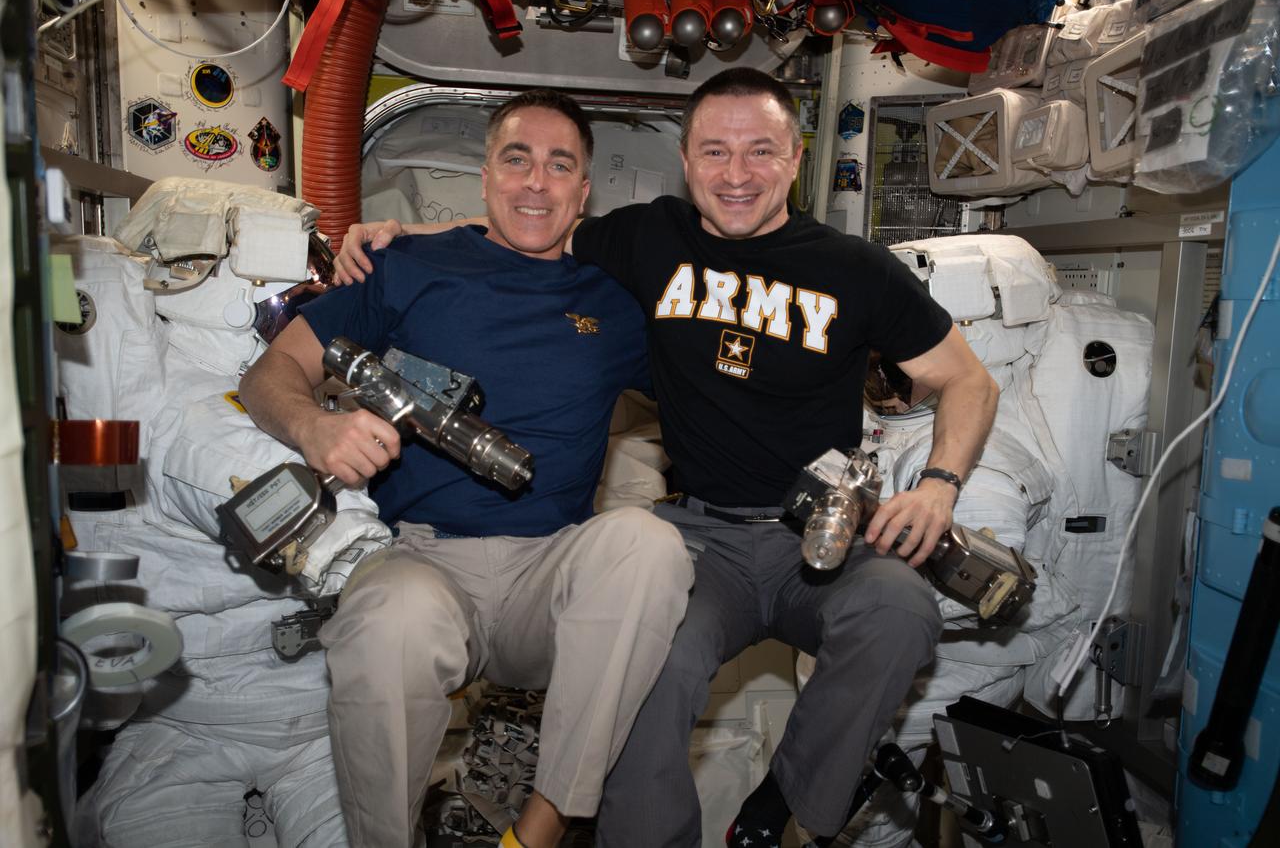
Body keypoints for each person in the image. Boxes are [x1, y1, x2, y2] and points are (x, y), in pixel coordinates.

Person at [337, 68, 998, 847]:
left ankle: (787, 818)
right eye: (715, 151)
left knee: (900, 609)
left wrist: (939, 486)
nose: (737, 173)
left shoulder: (855, 268)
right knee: (645, 668)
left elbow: (966, 379)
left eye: (760, 151)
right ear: (686, 161)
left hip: (817, 540)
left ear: (793, 158)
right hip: (702, 539)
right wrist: (390, 235)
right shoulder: (648, 237)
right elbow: (524, 221)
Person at [237, 89, 694, 848]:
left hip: (549, 569)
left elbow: (711, 387)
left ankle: (543, 825)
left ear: (584, 191)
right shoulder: (404, 265)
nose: (536, 183)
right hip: (421, 556)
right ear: (485, 176)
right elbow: (268, 373)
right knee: (386, 620)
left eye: (559, 166)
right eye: (516, 160)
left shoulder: (615, 302)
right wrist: (316, 426)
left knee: (648, 544)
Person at [61, 179, 372, 847]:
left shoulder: (262, 390)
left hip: (294, 714)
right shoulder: (202, 405)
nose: (309, 307)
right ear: (227, 290)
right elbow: (248, 481)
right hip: (196, 720)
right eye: (293, 292)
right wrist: (356, 553)